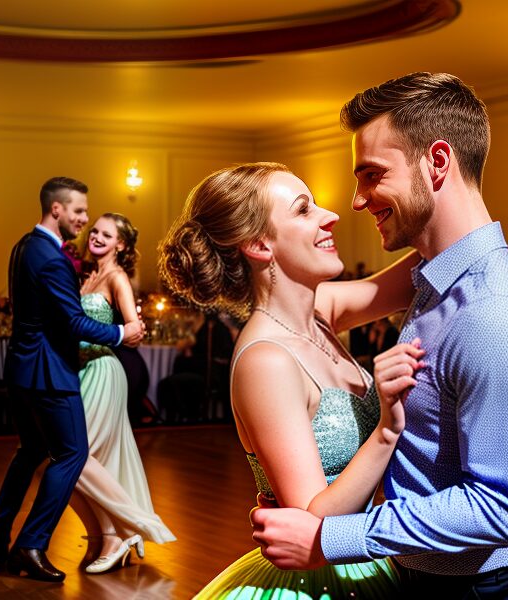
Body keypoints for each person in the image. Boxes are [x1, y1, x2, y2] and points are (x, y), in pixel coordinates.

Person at [251, 72, 508, 600]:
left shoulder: (495, 317)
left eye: (372, 175)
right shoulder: (432, 275)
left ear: (437, 162)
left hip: (472, 589)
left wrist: (331, 536)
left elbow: (499, 511)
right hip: (419, 575)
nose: (356, 200)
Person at [160, 162, 422, 598]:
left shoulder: (322, 313)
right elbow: (313, 524)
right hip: (316, 578)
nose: (330, 216)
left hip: (368, 562)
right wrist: (386, 431)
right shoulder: (266, 361)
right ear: (259, 244)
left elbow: (418, 270)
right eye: (304, 210)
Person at [0, 177, 144, 582]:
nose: (85, 221)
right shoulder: (52, 258)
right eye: (80, 212)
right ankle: (31, 545)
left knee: (30, 452)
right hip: (50, 373)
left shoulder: (24, 246)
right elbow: (71, 322)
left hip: (22, 370)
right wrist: (122, 334)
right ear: (57, 210)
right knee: (71, 455)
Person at [69, 212, 176, 574]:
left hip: (103, 370)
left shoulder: (116, 277)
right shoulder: (87, 276)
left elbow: (133, 326)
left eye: (106, 234)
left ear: (121, 245)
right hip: (81, 372)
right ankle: (103, 536)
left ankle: (123, 532)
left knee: (72, 458)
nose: (96, 237)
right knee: (78, 463)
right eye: (95, 231)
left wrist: (132, 329)